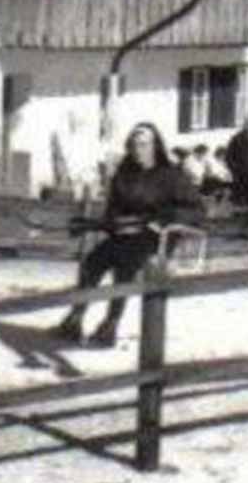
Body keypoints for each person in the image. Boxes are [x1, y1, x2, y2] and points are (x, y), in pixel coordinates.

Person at [52, 121, 197, 349]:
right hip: (123, 234)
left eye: (144, 145)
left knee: (125, 267)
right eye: (134, 145)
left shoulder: (171, 176)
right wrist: (107, 225)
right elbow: (114, 210)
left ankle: (110, 325)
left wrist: (163, 221)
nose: (139, 150)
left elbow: (194, 210)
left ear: (155, 146)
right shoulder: (124, 175)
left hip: (154, 238)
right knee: (92, 262)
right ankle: (75, 318)